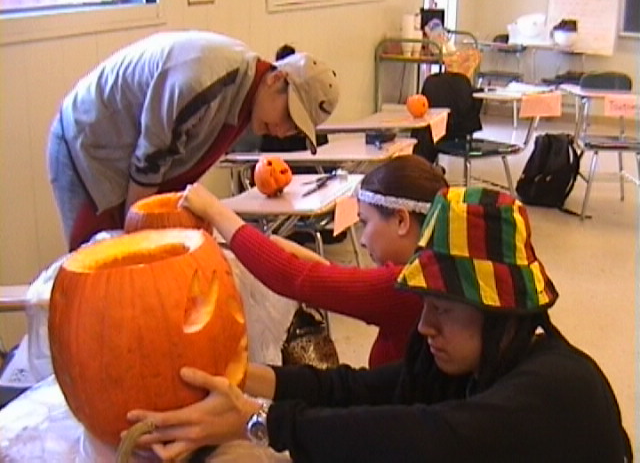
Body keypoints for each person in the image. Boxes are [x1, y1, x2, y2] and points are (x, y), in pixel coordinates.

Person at [127, 187, 632, 463]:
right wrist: (238, 373)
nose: (425, 324)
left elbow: (427, 439)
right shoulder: (463, 361)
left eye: (444, 308)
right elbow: (357, 389)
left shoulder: (559, 388)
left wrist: (260, 423)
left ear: (501, 313)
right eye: (424, 305)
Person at [47, 30, 339, 251]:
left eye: (296, 130)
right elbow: (148, 170)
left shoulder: (249, 100)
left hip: (132, 161)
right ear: (276, 79)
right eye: (289, 116)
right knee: (101, 270)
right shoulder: (202, 83)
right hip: (89, 146)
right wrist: (138, 242)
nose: (283, 131)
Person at [181, 154, 449, 367]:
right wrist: (323, 268)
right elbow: (356, 287)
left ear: (401, 221)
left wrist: (214, 210)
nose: (363, 239)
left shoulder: (409, 285)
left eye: (365, 223)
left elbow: (293, 278)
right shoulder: (440, 265)